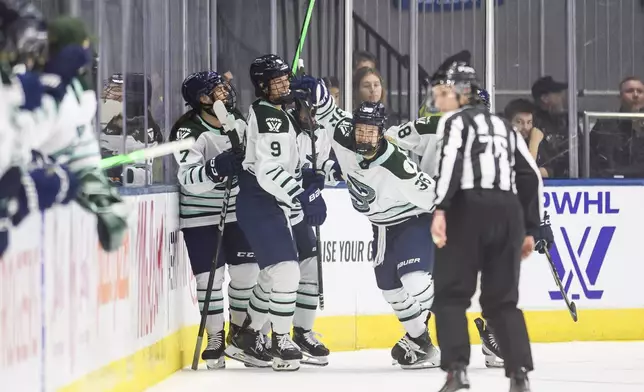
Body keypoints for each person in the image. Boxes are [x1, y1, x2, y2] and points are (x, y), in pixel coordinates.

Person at [292, 74, 441, 369]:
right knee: (388, 286)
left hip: (412, 220)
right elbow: (327, 109)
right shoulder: (345, 133)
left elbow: (436, 199)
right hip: (381, 226)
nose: (364, 137)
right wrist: (316, 90)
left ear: (381, 132)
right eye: (360, 130)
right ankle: (421, 343)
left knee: (413, 279)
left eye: (371, 132)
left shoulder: (399, 165)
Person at [428, 51, 542, 392]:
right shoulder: (505, 127)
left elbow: (449, 164)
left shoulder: (455, 122)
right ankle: (518, 375)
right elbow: (531, 177)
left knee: (451, 295)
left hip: (468, 209)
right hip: (507, 212)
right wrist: (529, 228)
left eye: (445, 92)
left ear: (462, 94)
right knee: (502, 300)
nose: (439, 99)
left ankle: (457, 372)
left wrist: (440, 209)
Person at [224, 54, 327, 372]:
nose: (286, 84)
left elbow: (287, 162)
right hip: (263, 202)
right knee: (286, 272)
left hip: (272, 204)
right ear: (262, 87)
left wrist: (307, 177)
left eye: (287, 78)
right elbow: (268, 171)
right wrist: (302, 194)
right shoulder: (271, 116)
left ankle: (249, 335)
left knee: (273, 275)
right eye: (278, 81)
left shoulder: (280, 112)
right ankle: (280, 339)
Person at [168, 70, 259, 370]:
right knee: (210, 280)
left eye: (224, 87)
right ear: (202, 100)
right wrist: (215, 169)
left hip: (238, 211)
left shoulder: (239, 122)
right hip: (199, 216)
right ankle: (215, 337)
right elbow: (187, 177)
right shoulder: (187, 130)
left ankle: (239, 330)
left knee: (247, 272)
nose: (225, 93)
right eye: (216, 90)